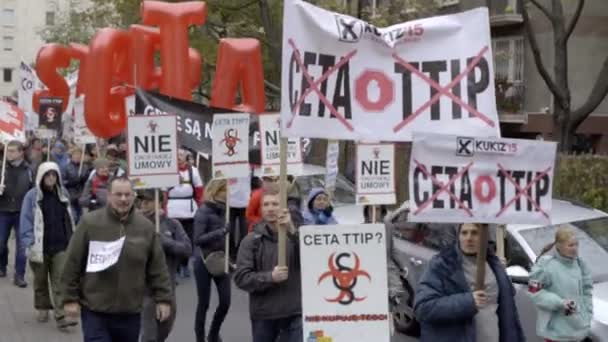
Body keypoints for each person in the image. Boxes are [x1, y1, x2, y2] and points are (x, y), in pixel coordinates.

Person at [61, 176, 173, 342]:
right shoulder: (90, 223)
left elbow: (157, 267)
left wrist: (163, 299)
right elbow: (72, 262)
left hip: (130, 313)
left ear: (134, 196)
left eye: (127, 195)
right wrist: (70, 299)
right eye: (118, 194)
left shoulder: (145, 227)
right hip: (95, 311)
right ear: (109, 195)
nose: (123, 199)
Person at [414, 223, 525, 342]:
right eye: (464, 233)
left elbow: (509, 313)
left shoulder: (494, 264)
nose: (469, 238)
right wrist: (468, 302)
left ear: (484, 236)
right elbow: (423, 308)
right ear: (459, 236)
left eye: (474, 233)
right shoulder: (443, 265)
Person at [234, 185, 302, 342]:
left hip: (294, 313)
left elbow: (311, 260)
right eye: (266, 204)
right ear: (261, 209)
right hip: (264, 316)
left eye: (275, 204)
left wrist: (292, 230)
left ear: (284, 207)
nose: (270, 209)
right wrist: (270, 277)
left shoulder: (296, 236)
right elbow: (241, 278)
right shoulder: (250, 241)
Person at [19, 161, 77, 329]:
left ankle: (61, 315)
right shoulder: (32, 196)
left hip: (60, 245)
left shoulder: (63, 193)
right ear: (41, 176)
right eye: (48, 175)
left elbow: (69, 216)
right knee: (40, 280)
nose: (51, 178)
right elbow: (26, 219)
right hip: (39, 246)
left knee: (60, 281)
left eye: (54, 175)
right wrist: (27, 241)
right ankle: (43, 306)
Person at [137, 189, 192, 342]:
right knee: (149, 337)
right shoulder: (135, 224)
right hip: (144, 290)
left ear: (159, 202)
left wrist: (164, 241)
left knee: (164, 330)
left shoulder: (172, 224)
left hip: (168, 288)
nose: (143, 203)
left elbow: (187, 249)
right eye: (141, 200)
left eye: (148, 200)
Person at [528, 227, 593, 342]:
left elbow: (587, 290)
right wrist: (559, 302)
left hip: (579, 330)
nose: (575, 249)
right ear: (558, 246)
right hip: (557, 333)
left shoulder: (580, 264)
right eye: (570, 245)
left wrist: (587, 313)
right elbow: (534, 293)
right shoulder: (546, 266)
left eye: (576, 244)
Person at [192, 179, 231, 342]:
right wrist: (221, 232)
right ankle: (200, 338)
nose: (229, 194)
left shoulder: (226, 211)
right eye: (225, 191)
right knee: (204, 304)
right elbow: (198, 238)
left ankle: (213, 334)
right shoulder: (203, 211)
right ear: (217, 191)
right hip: (203, 261)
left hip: (221, 259)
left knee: (225, 302)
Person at [0, 140, 33, 287]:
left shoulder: (29, 170)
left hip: (22, 212)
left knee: (22, 246)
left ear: (21, 153)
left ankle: (19, 275)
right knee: (1, 243)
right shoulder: (2, 168)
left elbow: (33, 190)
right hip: (3, 210)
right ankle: (2, 266)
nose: (9, 154)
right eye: (8, 150)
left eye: (13, 151)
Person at [166, 148, 203, 278]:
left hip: (189, 211)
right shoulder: (168, 170)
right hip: (172, 211)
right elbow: (164, 192)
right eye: (177, 155)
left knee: (188, 239)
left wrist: (200, 207)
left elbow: (199, 191)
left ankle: (185, 264)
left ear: (186, 157)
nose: (179, 157)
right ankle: (175, 267)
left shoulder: (193, 171)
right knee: (173, 240)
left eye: (181, 155)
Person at [63, 146, 92, 224]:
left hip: (81, 195)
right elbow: (62, 182)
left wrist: (84, 179)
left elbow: (89, 181)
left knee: (82, 218)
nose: (77, 156)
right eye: (75, 154)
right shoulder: (66, 167)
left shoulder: (85, 167)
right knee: (73, 217)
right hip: (71, 196)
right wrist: (71, 182)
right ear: (71, 155)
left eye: (79, 154)